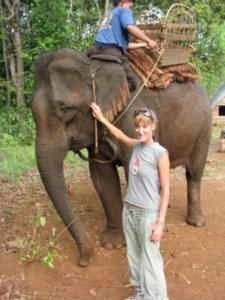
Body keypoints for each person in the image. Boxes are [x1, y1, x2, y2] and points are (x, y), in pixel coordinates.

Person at [91, 102, 170, 300]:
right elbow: (118, 135)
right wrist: (101, 119)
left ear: (153, 127)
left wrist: (160, 222)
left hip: (147, 215)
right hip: (130, 212)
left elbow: (166, 189)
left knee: (151, 259)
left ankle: (157, 297)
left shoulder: (160, 153)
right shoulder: (136, 146)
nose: (140, 130)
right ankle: (139, 293)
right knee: (134, 256)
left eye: (145, 126)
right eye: (138, 126)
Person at [86, 0, 158, 92]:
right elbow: (130, 27)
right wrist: (149, 40)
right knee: (132, 83)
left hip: (93, 49)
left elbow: (124, 45)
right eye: (130, 7)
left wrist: (143, 44)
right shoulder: (123, 10)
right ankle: (110, 95)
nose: (130, 11)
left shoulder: (110, 15)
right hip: (109, 52)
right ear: (122, 2)